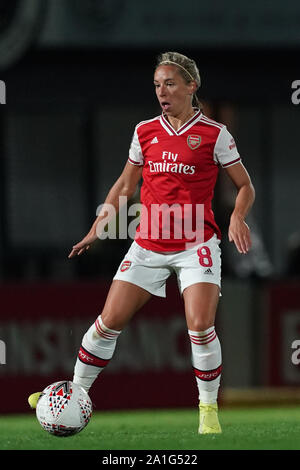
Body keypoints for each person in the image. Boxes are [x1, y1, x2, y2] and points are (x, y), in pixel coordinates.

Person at [29, 51, 255, 434]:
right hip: (148, 243)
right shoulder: (145, 131)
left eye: (169, 83)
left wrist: (237, 215)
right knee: (107, 323)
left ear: (191, 86)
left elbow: (245, 185)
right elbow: (125, 186)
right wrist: (97, 229)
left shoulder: (215, 135)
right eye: (156, 85)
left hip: (195, 244)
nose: (162, 92)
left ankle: (208, 410)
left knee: (200, 326)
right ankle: (74, 394)